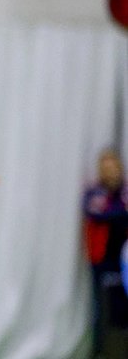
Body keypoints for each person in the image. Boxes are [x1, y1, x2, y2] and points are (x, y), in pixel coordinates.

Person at [84, 148, 128, 357]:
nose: (110, 172)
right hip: (102, 258)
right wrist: (120, 214)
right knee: (101, 306)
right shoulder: (95, 192)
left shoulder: (125, 191)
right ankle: (101, 349)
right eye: (105, 168)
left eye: (113, 167)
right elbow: (95, 214)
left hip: (125, 258)